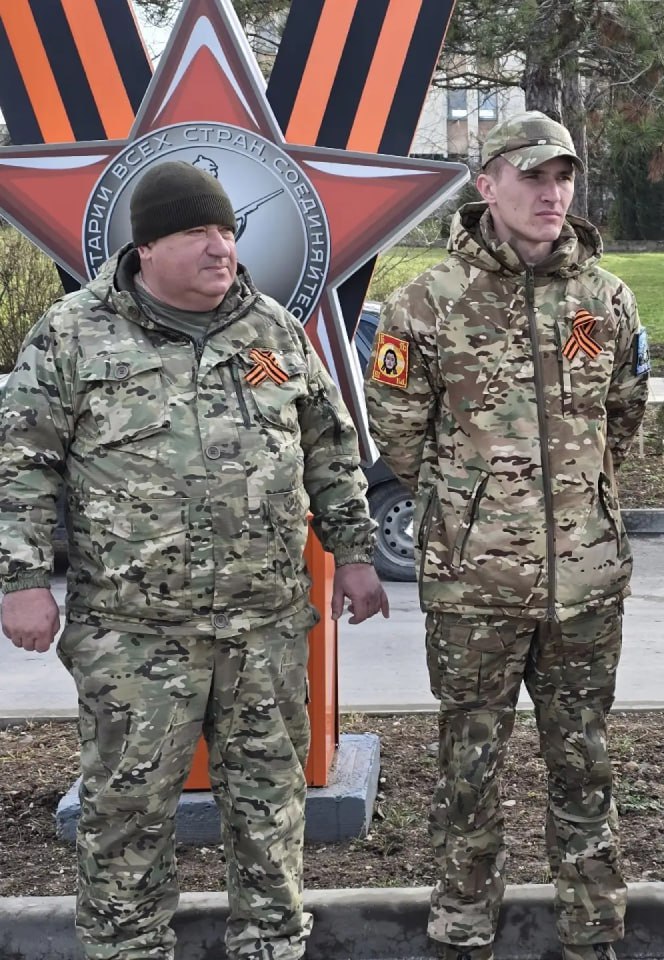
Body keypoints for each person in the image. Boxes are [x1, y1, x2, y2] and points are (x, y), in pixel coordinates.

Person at [0, 160, 388, 960]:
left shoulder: (273, 330)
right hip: (135, 637)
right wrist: (23, 578)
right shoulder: (74, 334)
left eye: (226, 231)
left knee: (272, 808)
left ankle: (272, 947)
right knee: (127, 816)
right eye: (197, 233)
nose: (221, 248)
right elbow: (23, 462)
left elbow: (329, 445)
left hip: (266, 630)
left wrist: (354, 552)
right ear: (146, 247)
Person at [363, 110, 649, 960]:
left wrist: (583, 497)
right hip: (473, 584)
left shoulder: (606, 297)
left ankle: (593, 918)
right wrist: (474, 510)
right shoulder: (426, 303)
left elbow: (624, 417)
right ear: (486, 186)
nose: (551, 193)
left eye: (562, 177)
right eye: (532, 176)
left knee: (586, 757)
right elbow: (400, 433)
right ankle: (463, 913)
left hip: (589, 581)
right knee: (469, 763)